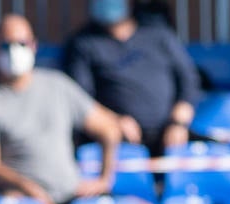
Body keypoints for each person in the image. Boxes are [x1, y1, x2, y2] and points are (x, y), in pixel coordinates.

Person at [0, 14, 154, 204]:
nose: (14, 51)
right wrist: (30, 190)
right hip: (22, 198)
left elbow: (108, 129)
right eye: (6, 45)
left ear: (33, 45)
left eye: (21, 43)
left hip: (72, 195)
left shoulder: (58, 85)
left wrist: (103, 180)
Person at [63, 0, 202, 155]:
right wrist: (114, 120)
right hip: (118, 137)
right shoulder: (82, 43)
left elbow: (189, 81)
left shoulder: (159, 35)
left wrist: (178, 123)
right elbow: (80, 96)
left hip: (169, 133)